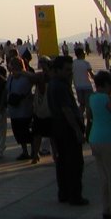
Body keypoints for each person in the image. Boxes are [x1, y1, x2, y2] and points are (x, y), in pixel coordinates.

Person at [49, 55, 87, 206]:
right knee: (74, 164)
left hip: (58, 127)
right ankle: (74, 196)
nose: (69, 72)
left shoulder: (54, 84)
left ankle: (64, 193)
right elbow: (67, 110)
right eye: (66, 70)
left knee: (63, 162)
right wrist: (77, 130)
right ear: (57, 70)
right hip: (66, 129)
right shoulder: (60, 86)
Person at [88, 70, 111, 219]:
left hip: (94, 138)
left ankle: (106, 210)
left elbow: (90, 117)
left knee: (104, 177)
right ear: (106, 84)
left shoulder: (92, 97)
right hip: (107, 139)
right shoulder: (106, 98)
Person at [4, 54, 36, 161]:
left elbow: (35, 78)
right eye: (12, 66)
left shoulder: (27, 76)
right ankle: (24, 151)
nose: (13, 68)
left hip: (25, 109)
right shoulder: (10, 77)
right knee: (18, 132)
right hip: (14, 110)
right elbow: (6, 90)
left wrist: (22, 72)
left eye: (16, 65)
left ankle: (34, 151)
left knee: (28, 131)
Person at [74, 46, 95, 127]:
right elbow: (92, 75)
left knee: (81, 105)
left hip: (78, 87)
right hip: (87, 86)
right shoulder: (86, 63)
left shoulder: (73, 63)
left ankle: (79, 120)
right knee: (88, 106)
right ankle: (89, 123)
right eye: (83, 53)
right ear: (81, 54)